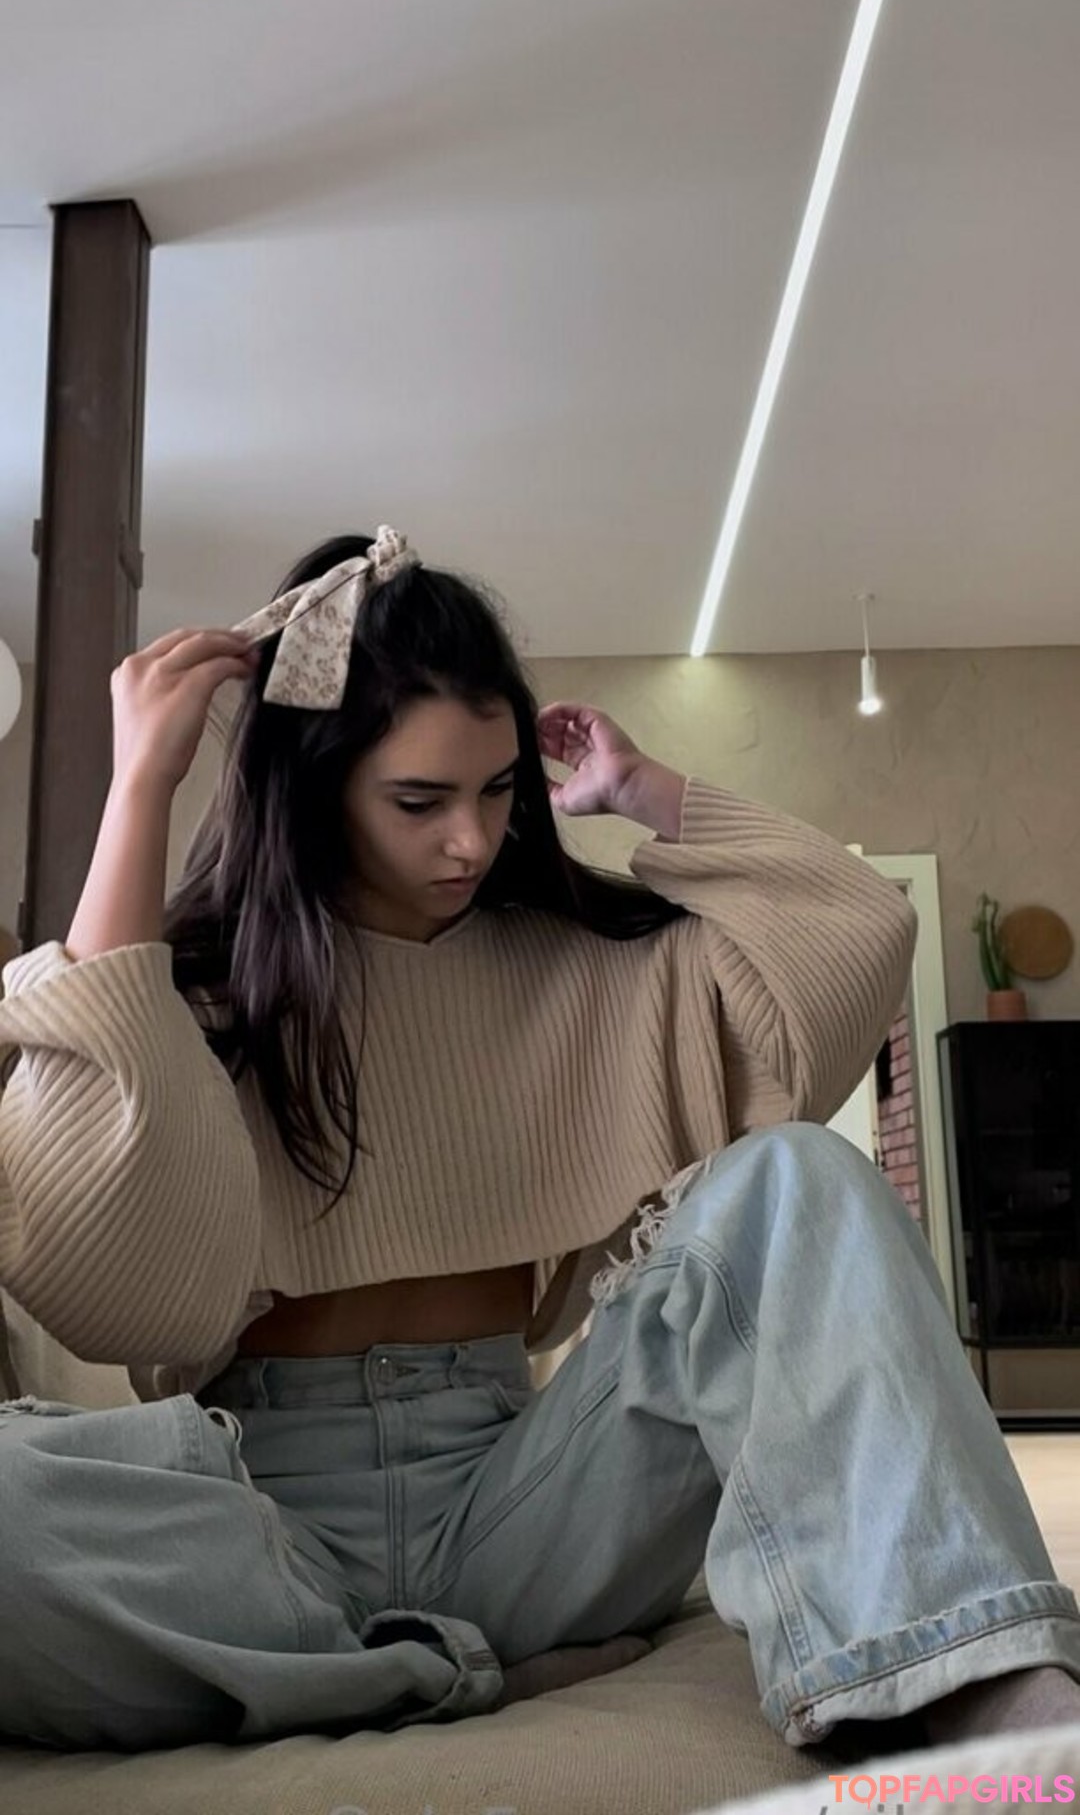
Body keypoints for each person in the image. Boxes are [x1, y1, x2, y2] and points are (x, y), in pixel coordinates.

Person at [1, 526, 1078, 1757]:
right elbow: (92, 1230)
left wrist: (647, 790)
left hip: (530, 1502)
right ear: (316, 783)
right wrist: (140, 785)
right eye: (420, 800)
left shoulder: (580, 966)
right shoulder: (205, 990)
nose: (471, 839)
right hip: (261, 1521)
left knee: (799, 1177)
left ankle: (973, 1676)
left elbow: (857, 933)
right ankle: (438, 1671)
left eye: (498, 788)